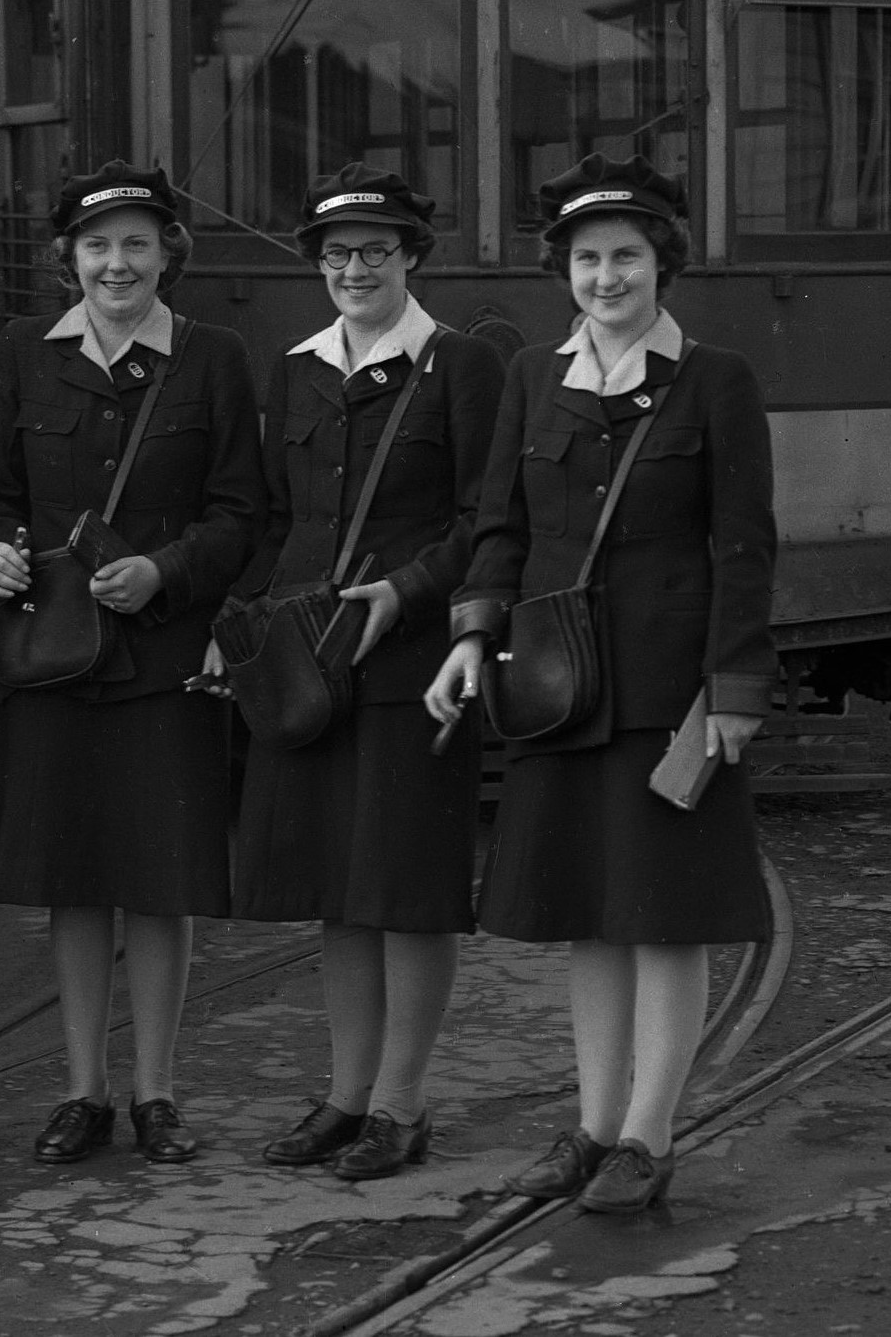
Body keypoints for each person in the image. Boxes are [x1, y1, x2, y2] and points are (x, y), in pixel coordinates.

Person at [427, 154, 777, 1215]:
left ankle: (648, 1133)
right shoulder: (536, 375)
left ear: (661, 263)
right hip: (556, 689)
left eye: (627, 256)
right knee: (591, 913)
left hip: (670, 697)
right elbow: (503, 528)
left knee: (664, 916)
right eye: (587, 259)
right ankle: (590, 1127)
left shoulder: (716, 382)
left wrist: (734, 689)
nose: (607, 277)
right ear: (564, 270)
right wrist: (469, 638)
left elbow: (745, 547)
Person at [0, 162, 265, 1166]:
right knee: (75, 879)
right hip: (55, 658)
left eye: (138, 244)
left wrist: (166, 573)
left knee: (159, 881)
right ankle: (83, 1091)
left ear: (166, 256)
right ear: (68, 260)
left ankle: (157, 1094)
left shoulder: (212, 357)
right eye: (98, 246)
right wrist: (0, 546)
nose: (117, 262)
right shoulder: (20, 354)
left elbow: (241, 513)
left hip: (164, 658)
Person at [226, 166, 505, 1182]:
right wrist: (245, 628)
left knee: (409, 889)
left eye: (376, 253)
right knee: (338, 890)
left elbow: (484, 521)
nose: (355, 270)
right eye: (338, 255)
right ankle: (345, 1098)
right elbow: (272, 518)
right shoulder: (296, 370)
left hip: (412, 667)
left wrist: (408, 591)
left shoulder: (459, 365)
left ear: (411, 258)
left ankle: (402, 1105)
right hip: (312, 668)